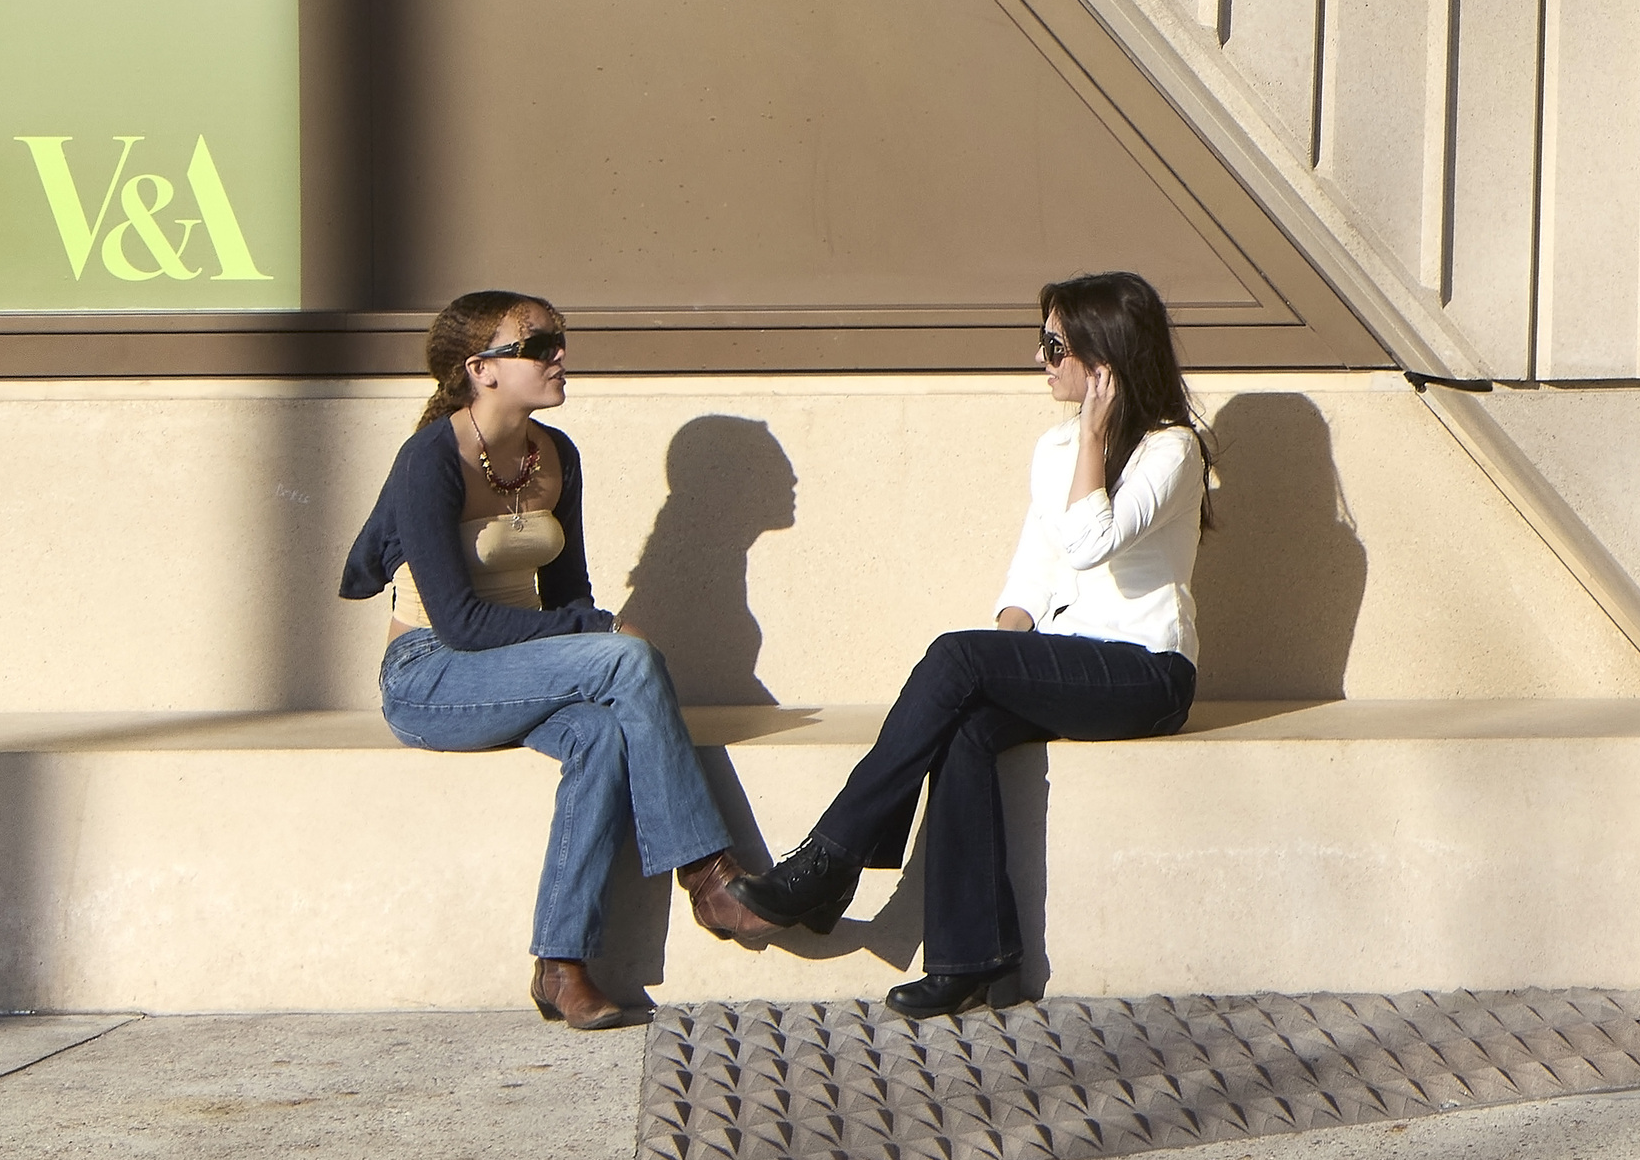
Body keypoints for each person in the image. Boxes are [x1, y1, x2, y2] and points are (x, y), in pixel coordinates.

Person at [702, 270, 1209, 1012]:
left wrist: (1096, 439)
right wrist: (994, 656)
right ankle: (971, 959)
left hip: (1147, 675)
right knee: (964, 719)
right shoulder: (1055, 447)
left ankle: (825, 864)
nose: (1040, 361)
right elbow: (1032, 574)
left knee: (956, 654)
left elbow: (1091, 539)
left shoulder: (1170, 449)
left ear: (1103, 358)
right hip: (1067, 667)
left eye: (1054, 345)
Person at [339, 291, 748, 1027]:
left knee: (599, 733)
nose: (559, 354)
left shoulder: (555, 456)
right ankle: (709, 874)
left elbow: (568, 591)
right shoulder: (430, 461)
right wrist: (597, 632)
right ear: (481, 369)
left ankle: (560, 965)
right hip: (433, 675)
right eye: (537, 345)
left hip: (525, 664)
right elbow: (461, 626)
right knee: (627, 660)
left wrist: (589, 628)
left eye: (560, 339)